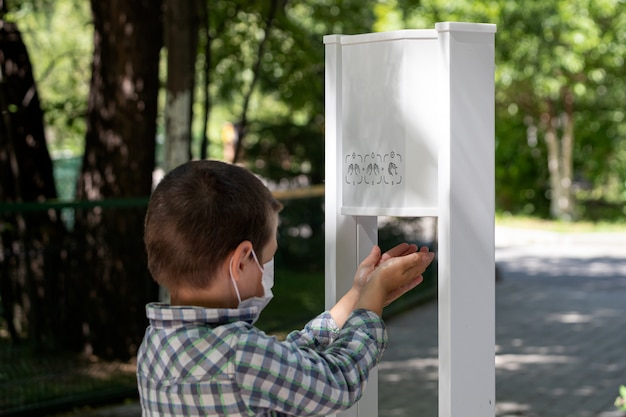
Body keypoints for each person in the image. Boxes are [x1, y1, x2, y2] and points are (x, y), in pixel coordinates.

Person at [137, 159, 435, 416]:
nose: (268, 267)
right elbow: (337, 382)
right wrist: (374, 299)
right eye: (266, 257)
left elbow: (285, 364)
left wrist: (357, 295)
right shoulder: (241, 355)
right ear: (241, 261)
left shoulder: (156, 344)